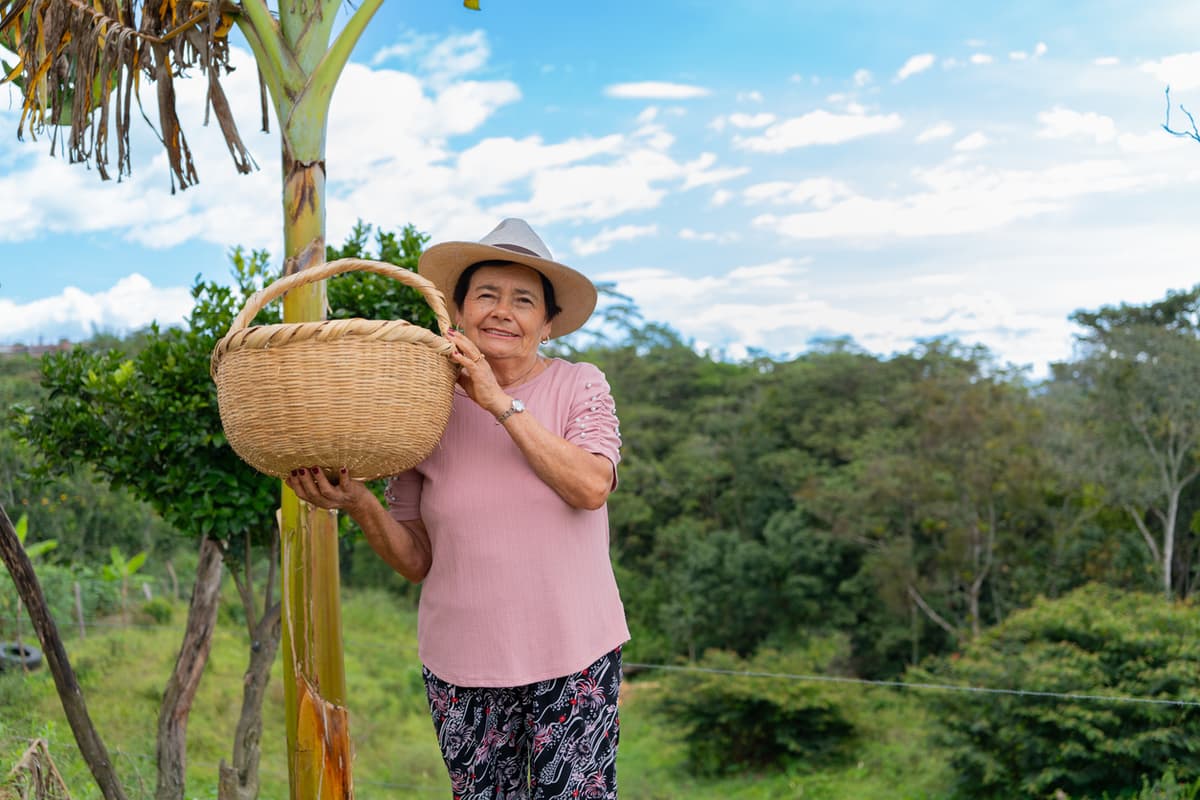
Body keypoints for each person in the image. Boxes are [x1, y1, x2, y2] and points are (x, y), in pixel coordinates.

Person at [286, 218, 629, 800]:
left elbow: (591, 486)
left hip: (575, 658)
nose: (502, 311)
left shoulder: (580, 385)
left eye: (523, 300)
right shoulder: (426, 406)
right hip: (461, 666)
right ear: (459, 311)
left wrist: (498, 402)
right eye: (487, 295)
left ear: (546, 325)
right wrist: (361, 502)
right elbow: (417, 559)